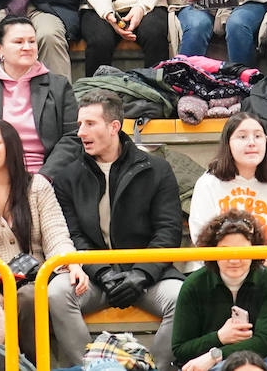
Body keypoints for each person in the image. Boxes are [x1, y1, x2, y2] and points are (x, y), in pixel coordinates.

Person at [47, 90, 184, 370]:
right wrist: (103, 272)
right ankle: (91, 368)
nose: (81, 131)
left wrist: (141, 274)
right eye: (79, 124)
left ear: (114, 127)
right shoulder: (66, 177)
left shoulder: (157, 169)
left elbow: (168, 232)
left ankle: (155, 368)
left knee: (183, 297)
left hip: (147, 276)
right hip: (95, 277)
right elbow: (73, 235)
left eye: (90, 124)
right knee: (56, 293)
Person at [0, 119, 84, 357]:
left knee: (30, 297)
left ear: (12, 146)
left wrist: (71, 262)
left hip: (31, 280)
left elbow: (56, 234)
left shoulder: (38, 186)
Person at [0, 16, 79, 175]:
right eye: (18, 42)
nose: (27, 47)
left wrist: (45, 176)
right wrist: (0, 177)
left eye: (32, 41)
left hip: (48, 177)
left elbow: (72, 137)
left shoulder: (59, 86)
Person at [173, 209, 267, 370]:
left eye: (242, 250)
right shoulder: (194, 284)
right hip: (202, 364)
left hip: (255, 361)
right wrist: (219, 337)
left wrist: (215, 355)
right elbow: (181, 349)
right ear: (212, 250)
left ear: (255, 249)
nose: (234, 259)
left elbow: (264, 343)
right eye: (225, 250)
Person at [189, 114, 267, 255]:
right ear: (228, 143)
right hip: (217, 267)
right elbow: (201, 238)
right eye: (242, 137)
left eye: (258, 136)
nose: (252, 142)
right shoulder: (208, 184)